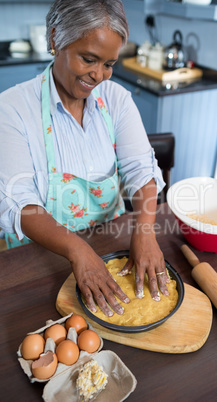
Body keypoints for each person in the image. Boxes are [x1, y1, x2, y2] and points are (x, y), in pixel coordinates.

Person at [0, 0, 169, 317]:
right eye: (88, 59)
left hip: (109, 243)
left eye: (108, 64)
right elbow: (17, 201)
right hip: (39, 260)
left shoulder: (115, 99)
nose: (99, 76)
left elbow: (140, 169)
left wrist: (145, 232)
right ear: (55, 39)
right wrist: (77, 249)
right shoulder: (11, 110)